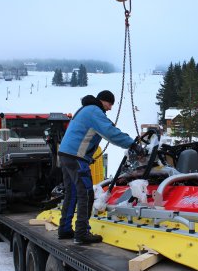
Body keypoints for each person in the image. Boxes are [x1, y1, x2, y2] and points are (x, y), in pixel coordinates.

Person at [58, 90, 144, 244]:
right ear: (103, 101)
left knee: (71, 193)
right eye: (110, 104)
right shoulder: (94, 111)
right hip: (76, 157)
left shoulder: (86, 109)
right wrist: (133, 145)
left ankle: (64, 229)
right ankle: (82, 233)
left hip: (66, 155)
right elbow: (110, 132)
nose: (110, 108)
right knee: (86, 193)